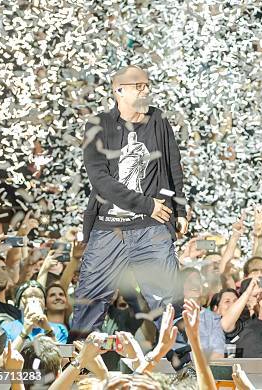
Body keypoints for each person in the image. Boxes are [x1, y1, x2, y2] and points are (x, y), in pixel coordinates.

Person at [74, 65, 189, 339]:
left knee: (168, 303)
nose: (145, 90)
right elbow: (100, 180)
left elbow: (174, 167)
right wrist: (146, 204)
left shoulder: (158, 121)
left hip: (151, 228)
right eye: (139, 86)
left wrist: (181, 209)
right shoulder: (98, 125)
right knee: (89, 301)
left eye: (147, 85)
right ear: (119, 91)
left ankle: (185, 366)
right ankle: (79, 368)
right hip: (108, 228)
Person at [1, 281, 68, 343]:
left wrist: (49, 332)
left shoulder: (59, 329)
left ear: (45, 305)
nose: (34, 299)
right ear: (19, 304)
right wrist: (24, 333)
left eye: (39, 296)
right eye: (29, 296)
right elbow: (6, 355)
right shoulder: (7, 329)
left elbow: (61, 355)